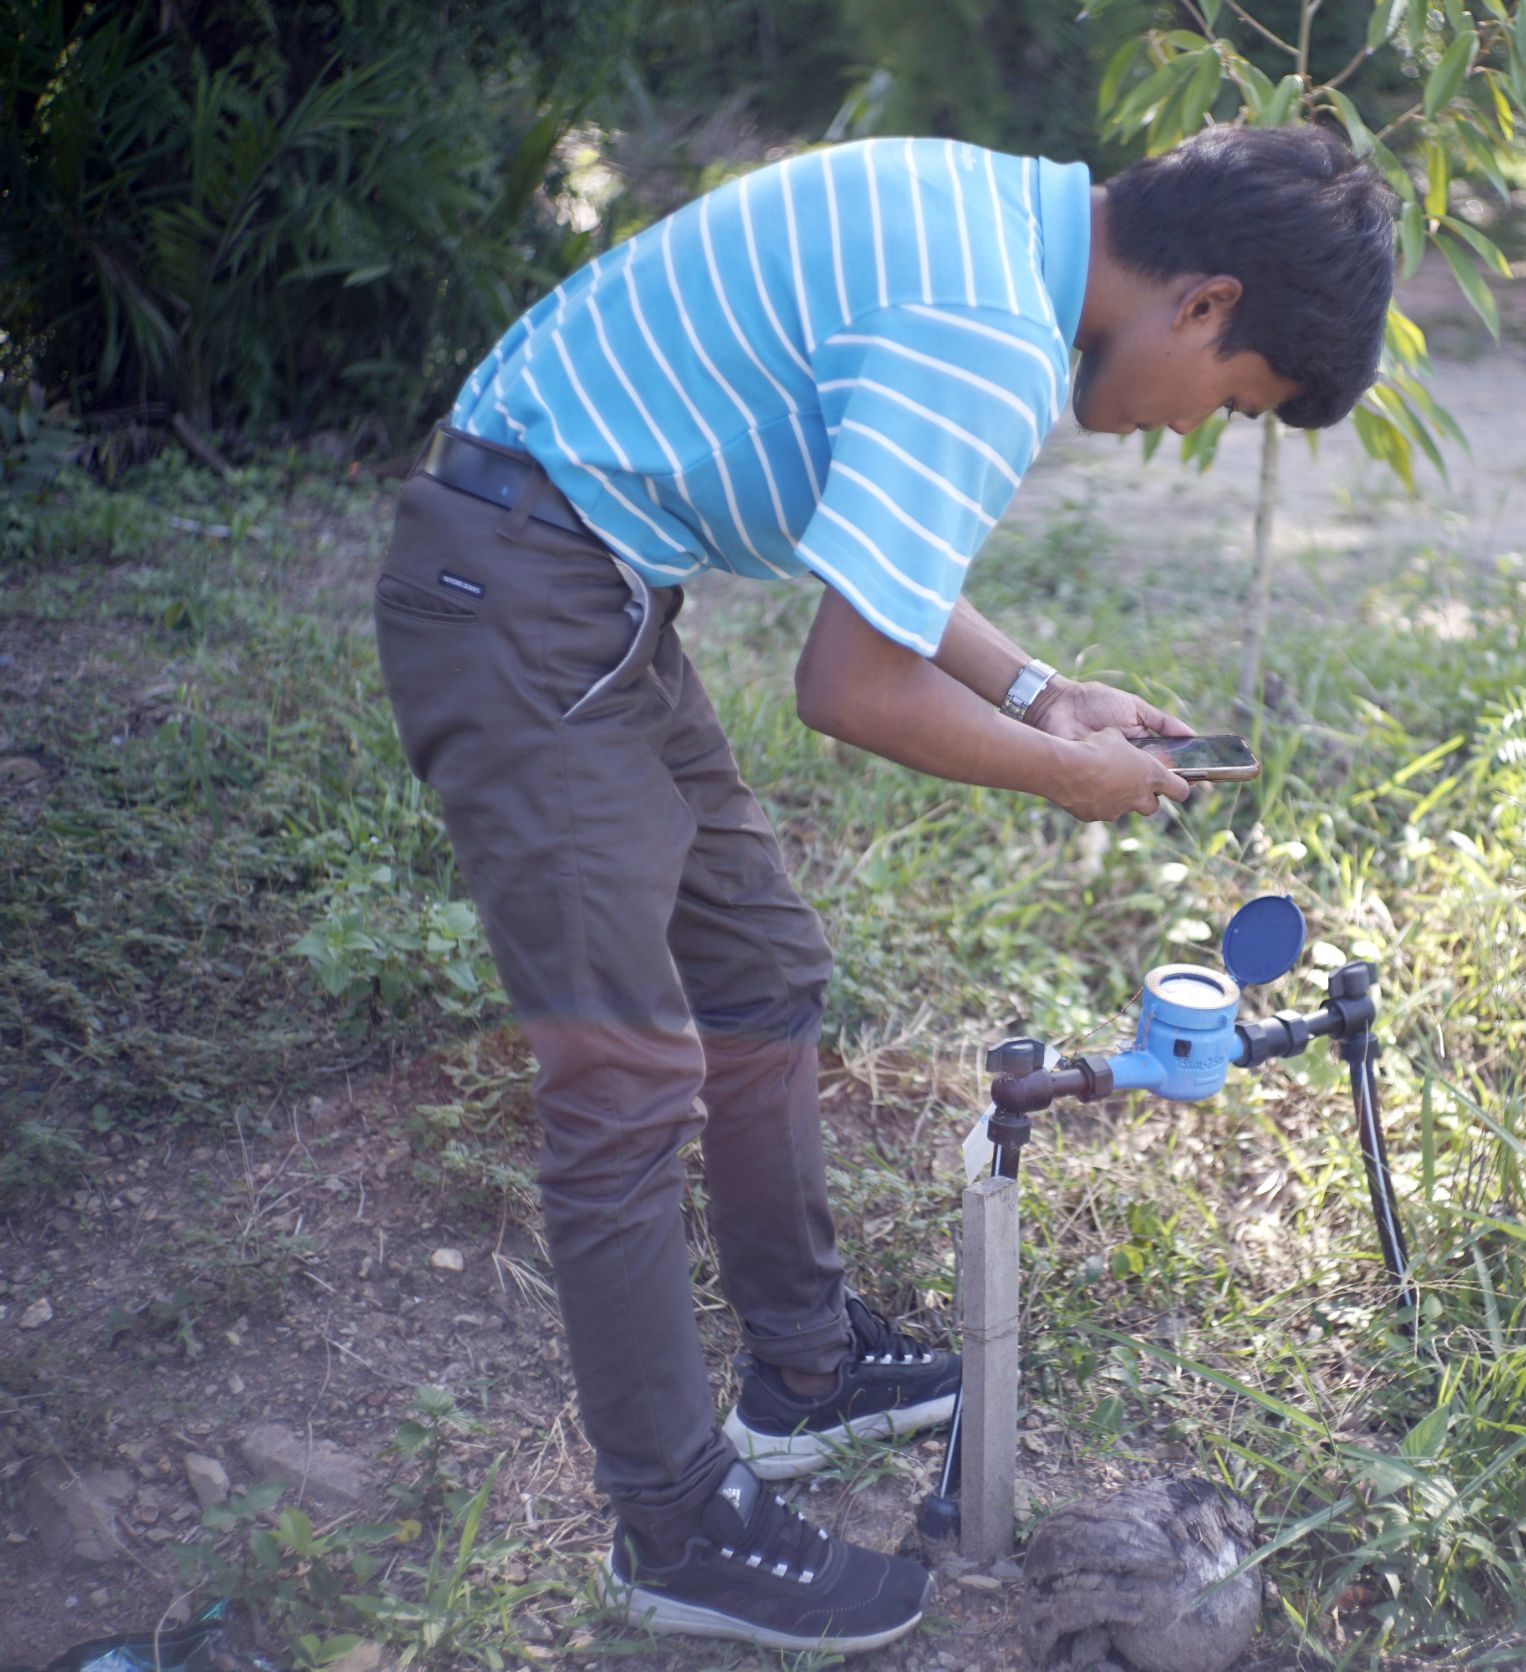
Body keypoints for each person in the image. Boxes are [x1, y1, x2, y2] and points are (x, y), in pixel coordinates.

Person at [370, 122, 1394, 1654]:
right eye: (1227, 401)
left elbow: (860, 542)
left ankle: (805, 1371)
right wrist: (1071, 777)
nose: (1187, 429)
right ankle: (675, 1530)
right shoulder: (988, 331)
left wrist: (1045, 692)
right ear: (1203, 303)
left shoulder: (993, 222)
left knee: (760, 960)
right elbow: (850, 685)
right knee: (626, 1081)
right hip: (523, 590)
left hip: (578, 570)